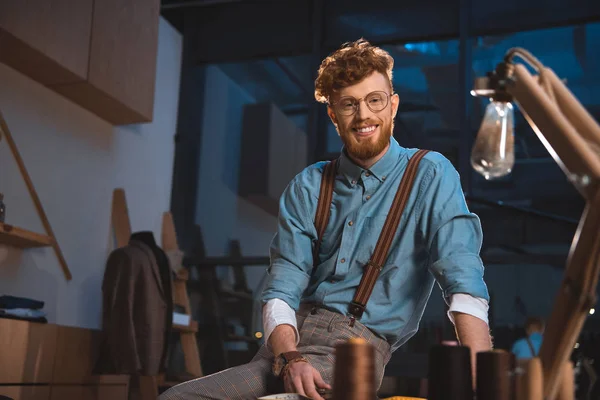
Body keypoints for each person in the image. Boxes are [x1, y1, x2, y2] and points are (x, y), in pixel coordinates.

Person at [160, 38, 492, 400]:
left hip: (353, 353)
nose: (363, 114)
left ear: (393, 105)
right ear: (334, 114)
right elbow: (282, 288)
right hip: (284, 349)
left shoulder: (430, 173)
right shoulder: (308, 186)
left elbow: (462, 279)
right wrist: (290, 356)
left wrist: (483, 383)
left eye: (374, 100)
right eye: (349, 104)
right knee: (175, 398)